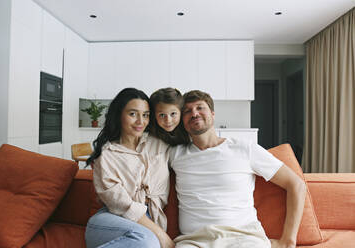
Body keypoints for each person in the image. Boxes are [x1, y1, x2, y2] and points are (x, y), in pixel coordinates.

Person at [169, 90, 307, 248]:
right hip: (194, 241)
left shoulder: (244, 148)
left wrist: (288, 241)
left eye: (200, 107)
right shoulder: (175, 154)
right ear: (181, 120)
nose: (194, 113)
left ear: (212, 114)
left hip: (244, 238)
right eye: (187, 111)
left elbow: (296, 184)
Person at [84, 88, 175, 248]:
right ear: (119, 115)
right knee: (147, 241)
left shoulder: (159, 144)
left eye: (145, 115)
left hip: (146, 222)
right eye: (133, 114)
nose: (140, 121)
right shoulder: (106, 154)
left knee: (148, 241)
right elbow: (121, 204)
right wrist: (160, 233)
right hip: (110, 220)